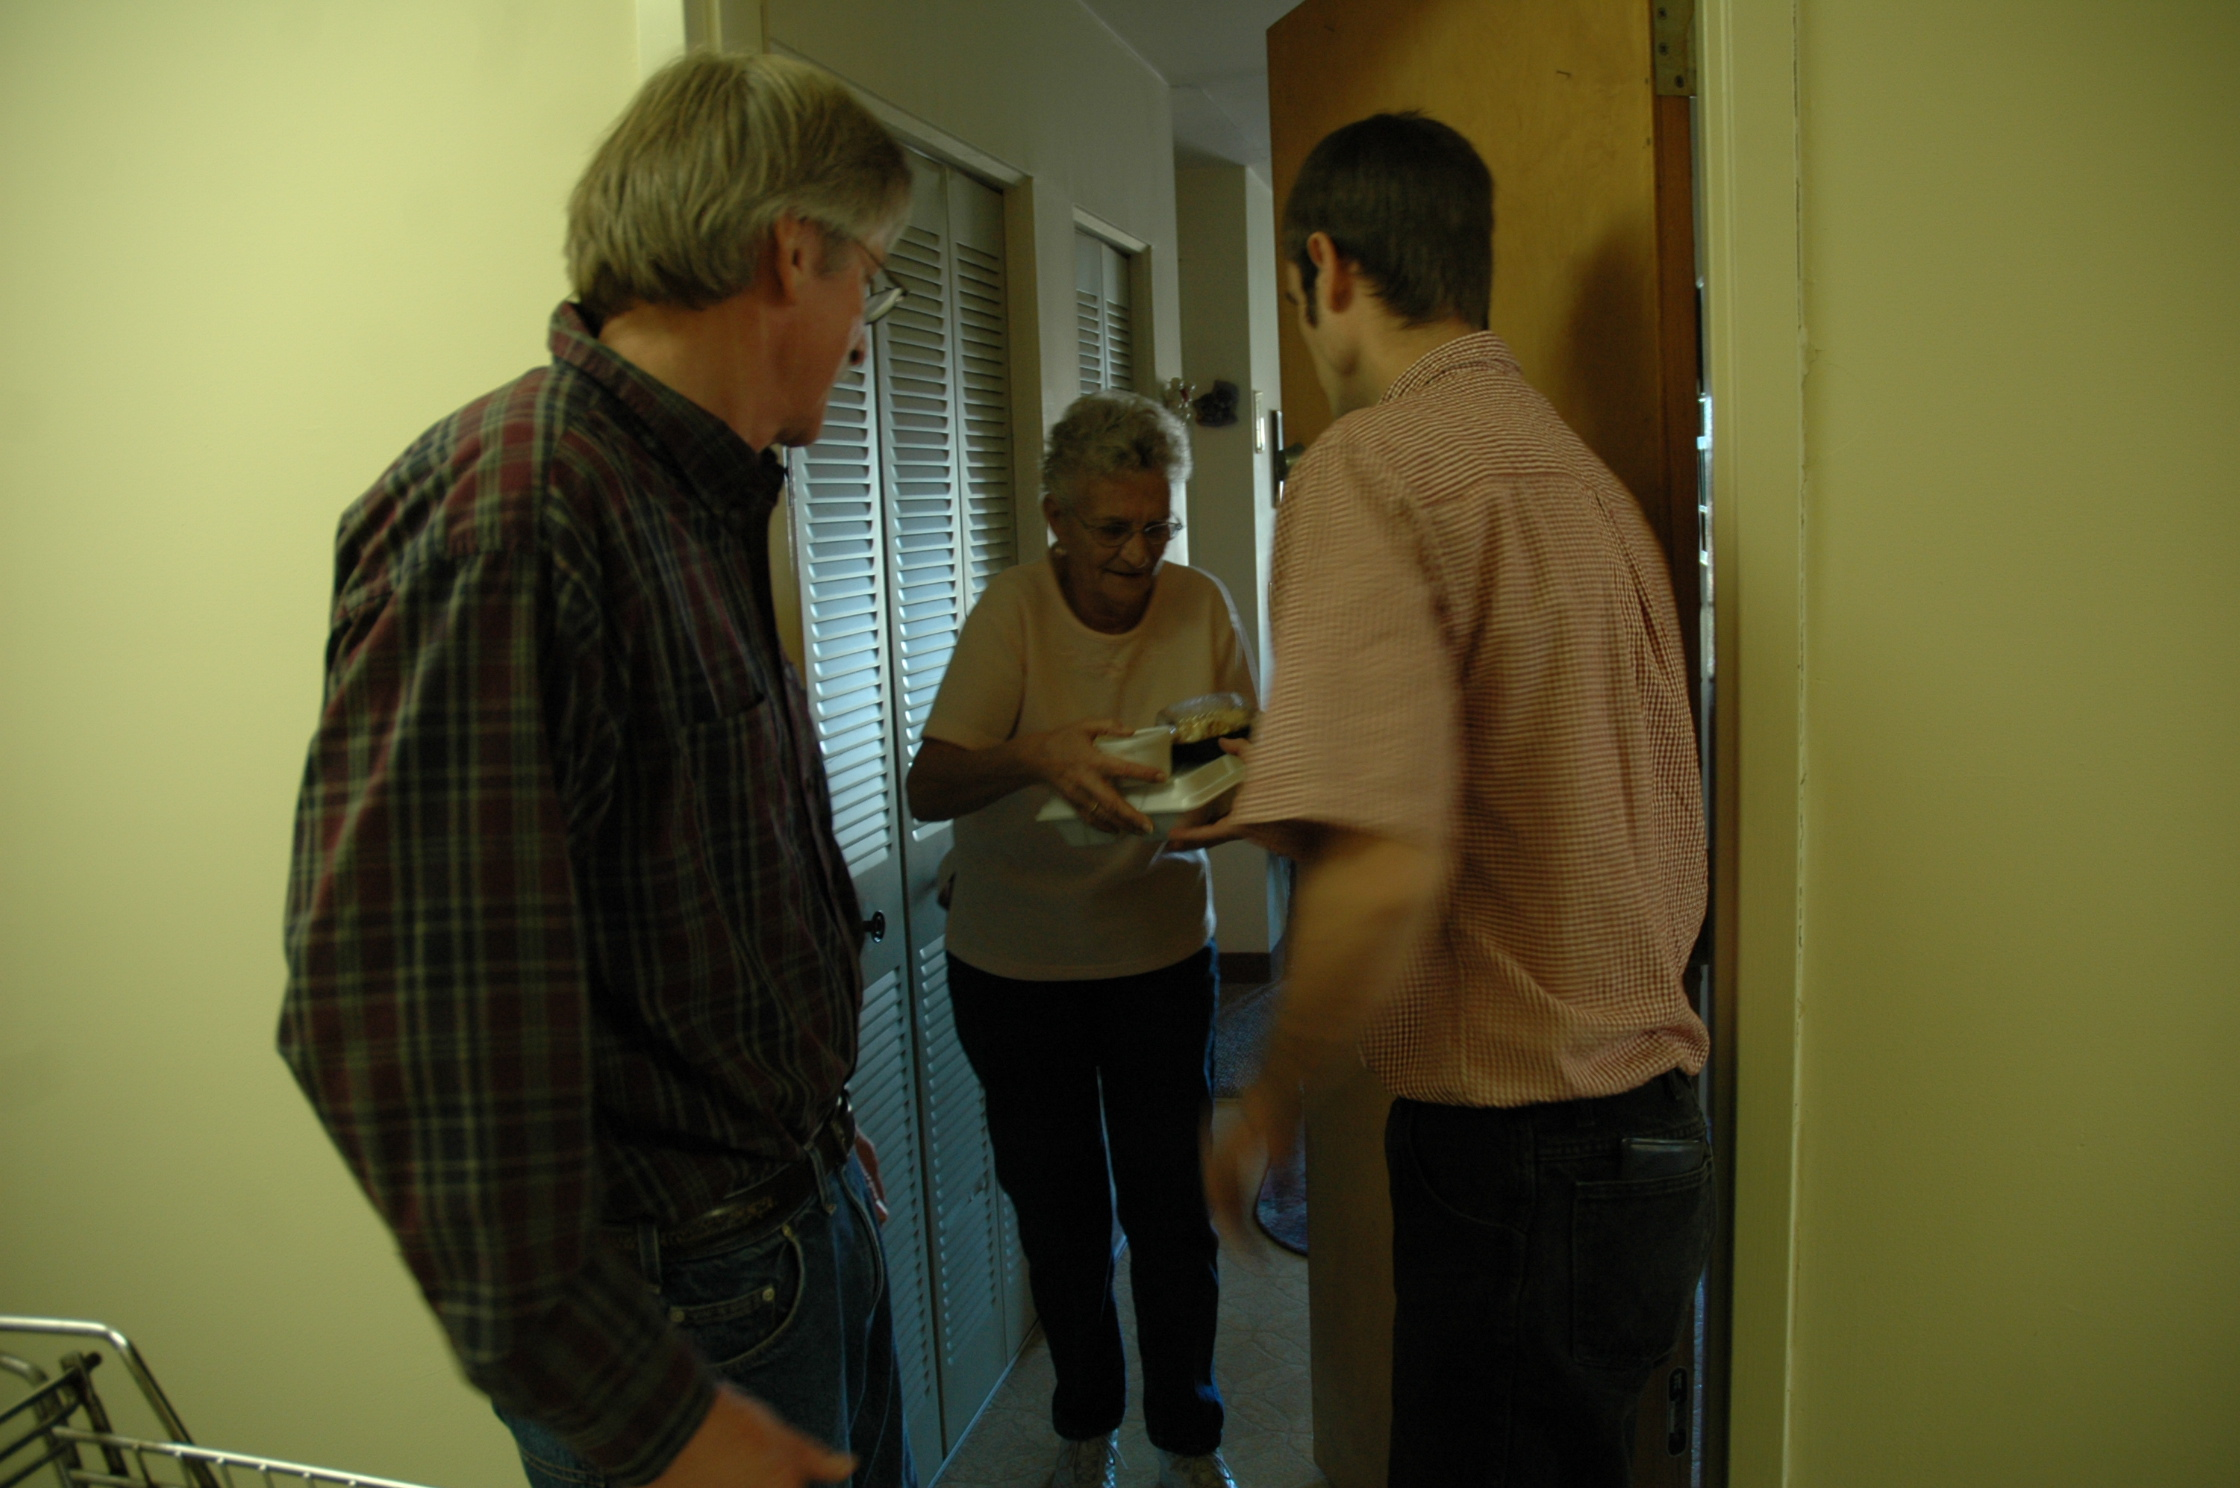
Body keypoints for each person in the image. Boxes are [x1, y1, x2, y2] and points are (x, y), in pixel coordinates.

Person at [279, 51, 919, 1488]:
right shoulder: (517, 511)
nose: (862, 337)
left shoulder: (687, 499)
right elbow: (380, 1018)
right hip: (684, 1322)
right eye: (870, 281)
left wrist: (810, 1147)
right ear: (792, 251)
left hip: (792, 1226)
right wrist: (648, 1413)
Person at [1175, 113, 1713, 1487]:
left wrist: (1267, 1098)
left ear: (1325, 267)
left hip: (1519, 1164)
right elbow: (1531, 773)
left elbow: (1389, 859)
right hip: (1650, 1139)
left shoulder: (1369, 467)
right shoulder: (1584, 484)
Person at [905, 392, 1253, 1488]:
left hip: (1160, 955)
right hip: (1018, 968)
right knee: (1061, 1217)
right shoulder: (1012, 611)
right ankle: (1084, 1426)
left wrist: (1210, 799)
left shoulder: (1200, 604)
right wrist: (1038, 754)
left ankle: (1188, 1438)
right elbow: (929, 785)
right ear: (1055, 518)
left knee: (1173, 1213)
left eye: (1157, 527)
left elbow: (1238, 757)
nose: (1139, 555)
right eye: (1111, 529)